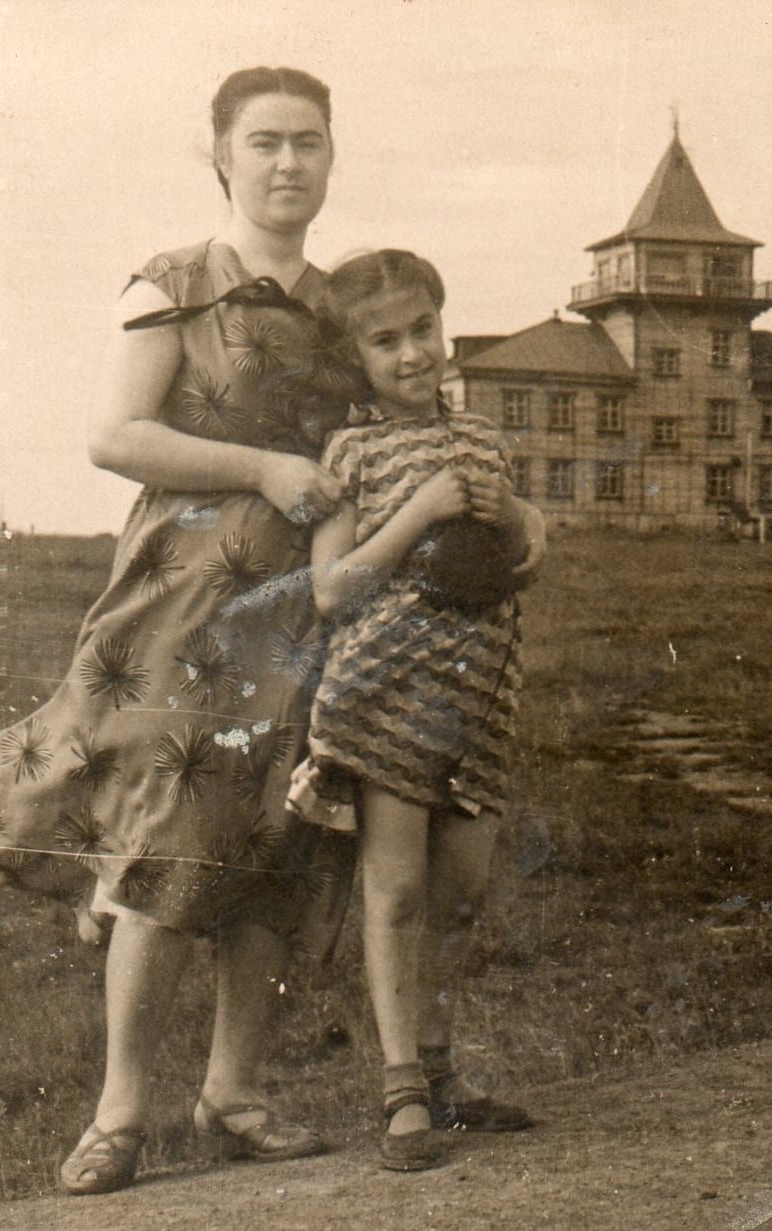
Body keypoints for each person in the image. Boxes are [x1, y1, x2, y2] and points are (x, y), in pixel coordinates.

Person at [0, 66, 361, 1195]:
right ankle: (119, 1114)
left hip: (306, 611)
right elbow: (114, 434)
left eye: (308, 142)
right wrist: (263, 468)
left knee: (276, 840)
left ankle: (234, 1094)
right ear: (219, 156)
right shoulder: (174, 283)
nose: (287, 163)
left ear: (331, 155)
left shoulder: (349, 309)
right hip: (182, 605)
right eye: (264, 142)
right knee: (165, 841)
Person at [287, 249, 546, 1171]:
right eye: (384, 341)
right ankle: (402, 1088)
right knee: (394, 891)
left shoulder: (482, 440)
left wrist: (519, 520)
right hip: (386, 695)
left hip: (477, 695)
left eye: (422, 330)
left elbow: (516, 556)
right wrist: (421, 510)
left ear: (444, 326)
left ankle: (442, 1076)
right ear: (354, 357)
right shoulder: (350, 453)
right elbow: (331, 588)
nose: (410, 354)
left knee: (461, 892)